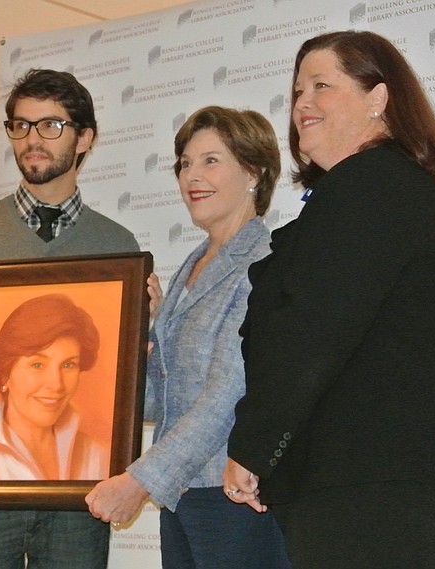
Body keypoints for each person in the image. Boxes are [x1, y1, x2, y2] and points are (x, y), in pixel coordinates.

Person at [223, 30, 435, 569]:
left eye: (322, 86)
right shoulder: (378, 189)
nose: (301, 104)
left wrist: (253, 445)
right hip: (381, 487)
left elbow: (311, 333)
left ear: (378, 99)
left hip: (371, 493)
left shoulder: (370, 187)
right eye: (296, 91)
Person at [0, 68, 157, 569]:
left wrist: (146, 326)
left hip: (79, 494)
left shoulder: (116, 246)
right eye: (20, 126)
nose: (32, 139)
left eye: (51, 126)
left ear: (85, 137)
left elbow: (121, 371)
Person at [86, 106, 290, 568]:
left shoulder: (264, 261)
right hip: (184, 493)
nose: (191, 176)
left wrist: (140, 481)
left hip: (235, 496)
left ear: (254, 171)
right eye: (185, 163)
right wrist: (136, 337)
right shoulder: (189, 268)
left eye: (210, 160)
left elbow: (227, 394)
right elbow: (161, 402)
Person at [0, 293, 109, 481]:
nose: (56, 384)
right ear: (4, 374)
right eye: (37, 365)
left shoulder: (101, 459)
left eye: (68, 365)